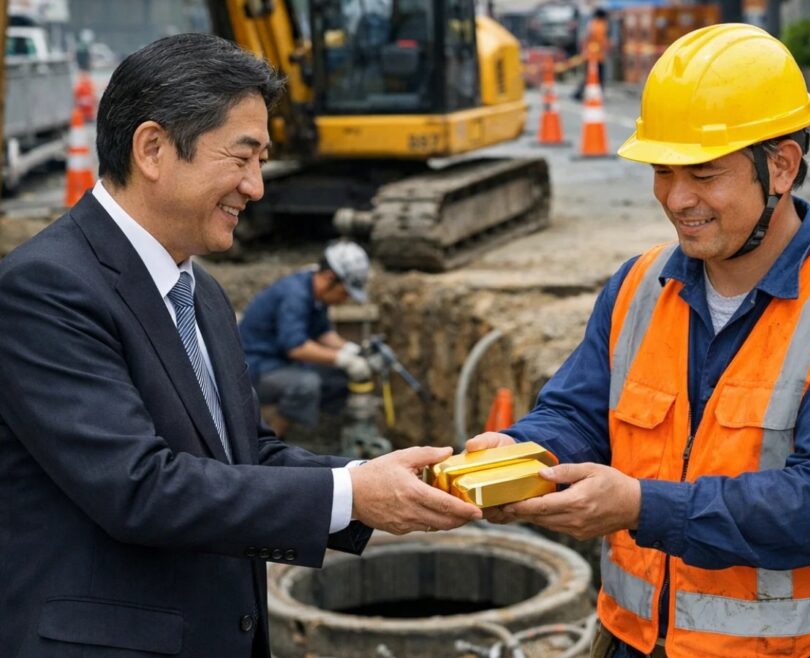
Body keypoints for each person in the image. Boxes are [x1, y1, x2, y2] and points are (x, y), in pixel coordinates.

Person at [0, 33, 481, 657]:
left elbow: (242, 454)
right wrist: (350, 495)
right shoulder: (47, 288)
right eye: (242, 157)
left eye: (262, 160)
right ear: (153, 149)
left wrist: (368, 478)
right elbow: (138, 487)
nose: (255, 186)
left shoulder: (200, 292)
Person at [468, 23, 810, 658]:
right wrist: (519, 453)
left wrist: (640, 507)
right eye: (663, 171)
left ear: (782, 167)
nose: (677, 198)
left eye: (704, 175)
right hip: (634, 642)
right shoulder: (638, 286)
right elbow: (577, 413)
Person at [239, 240, 374, 437]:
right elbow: (296, 347)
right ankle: (269, 445)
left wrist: (351, 349)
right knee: (305, 385)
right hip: (255, 368)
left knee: (337, 378)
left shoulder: (316, 293)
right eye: (345, 292)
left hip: (278, 362)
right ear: (329, 278)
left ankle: (317, 435)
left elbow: (322, 333)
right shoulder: (295, 295)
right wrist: (343, 359)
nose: (345, 299)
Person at [572, 7, 608, 102]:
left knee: (590, 76)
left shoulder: (591, 24)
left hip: (590, 56)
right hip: (597, 57)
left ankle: (579, 93)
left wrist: (584, 50)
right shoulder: (601, 26)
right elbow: (603, 42)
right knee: (597, 77)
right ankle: (591, 94)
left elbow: (585, 39)